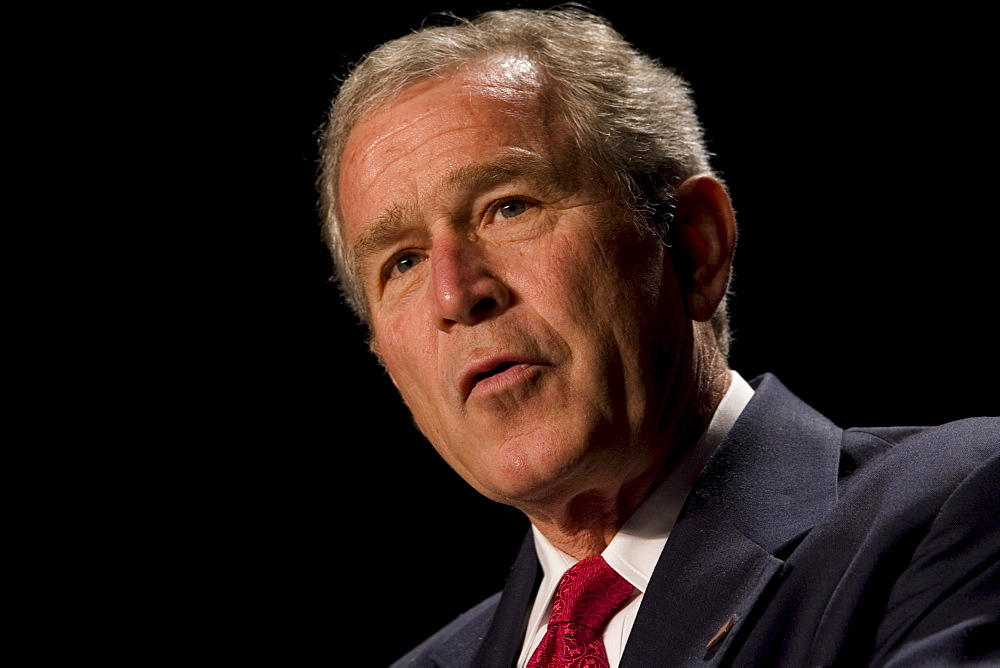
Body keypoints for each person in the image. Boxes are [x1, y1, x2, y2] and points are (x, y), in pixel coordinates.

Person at [317, 8, 999, 666]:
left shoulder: (953, 509)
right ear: (387, 361)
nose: (455, 294)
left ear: (695, 245)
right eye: (402, 261)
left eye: (509, 207)